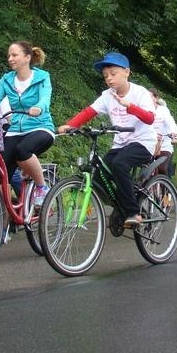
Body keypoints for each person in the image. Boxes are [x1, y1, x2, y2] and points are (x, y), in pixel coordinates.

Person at [57, 52, 155, 227]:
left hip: (142, 142)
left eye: (113, 74)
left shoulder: (140, 93)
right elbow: (89, 112)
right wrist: (70, 125)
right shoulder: (107, 95)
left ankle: (133, 212)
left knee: (119, 164)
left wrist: (130, 106)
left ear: (127, 72)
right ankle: (122, 206)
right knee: (100, 173)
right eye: (105, 76)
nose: (109, 79)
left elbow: (149, 118)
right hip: (121, 144)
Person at [0, 41, 55, 205]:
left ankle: (41, 187)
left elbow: (45, 98)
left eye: (14, 55)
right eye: (9, 55)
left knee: (22, 150)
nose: (10, 58)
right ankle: (6, 223)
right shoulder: (7, 79)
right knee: (0, 173)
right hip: (15, 130)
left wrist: (38, 107)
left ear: (27, 57)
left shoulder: (42, 77)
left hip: (40, 126)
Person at [149, 89, 177, 176]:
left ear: (156, 98)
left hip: (164, 145)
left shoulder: (163, 110)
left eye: (150, 97)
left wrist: (175, 136)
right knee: (146, 170)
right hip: (150, 144)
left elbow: (172, 124)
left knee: (161, 168)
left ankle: (164, 188)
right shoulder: (145, 110)